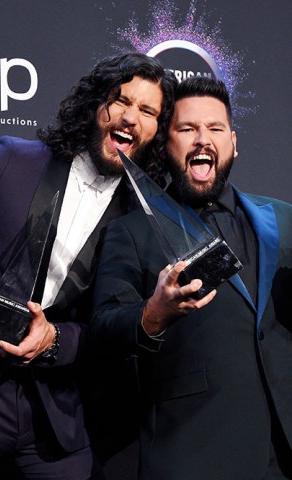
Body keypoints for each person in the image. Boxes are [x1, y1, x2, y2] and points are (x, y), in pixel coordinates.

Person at [0, 53, 176, 479]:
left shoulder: (138, 220)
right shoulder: (15, 159)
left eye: (147, 111)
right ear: (94, 106)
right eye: (120, 100)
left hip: (53, 415)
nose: (130, 117)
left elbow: (106, 329)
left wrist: (53, 341)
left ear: (157, 131)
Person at [91, 76, 292, 479]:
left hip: (282, 449)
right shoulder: (132, 231)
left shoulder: (284, 218)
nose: (203, 139)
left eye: (215, 129)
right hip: (195, 449)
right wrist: (154, 313)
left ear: (233, 142)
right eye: (187, 129)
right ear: (166, 145)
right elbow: (103, 328)